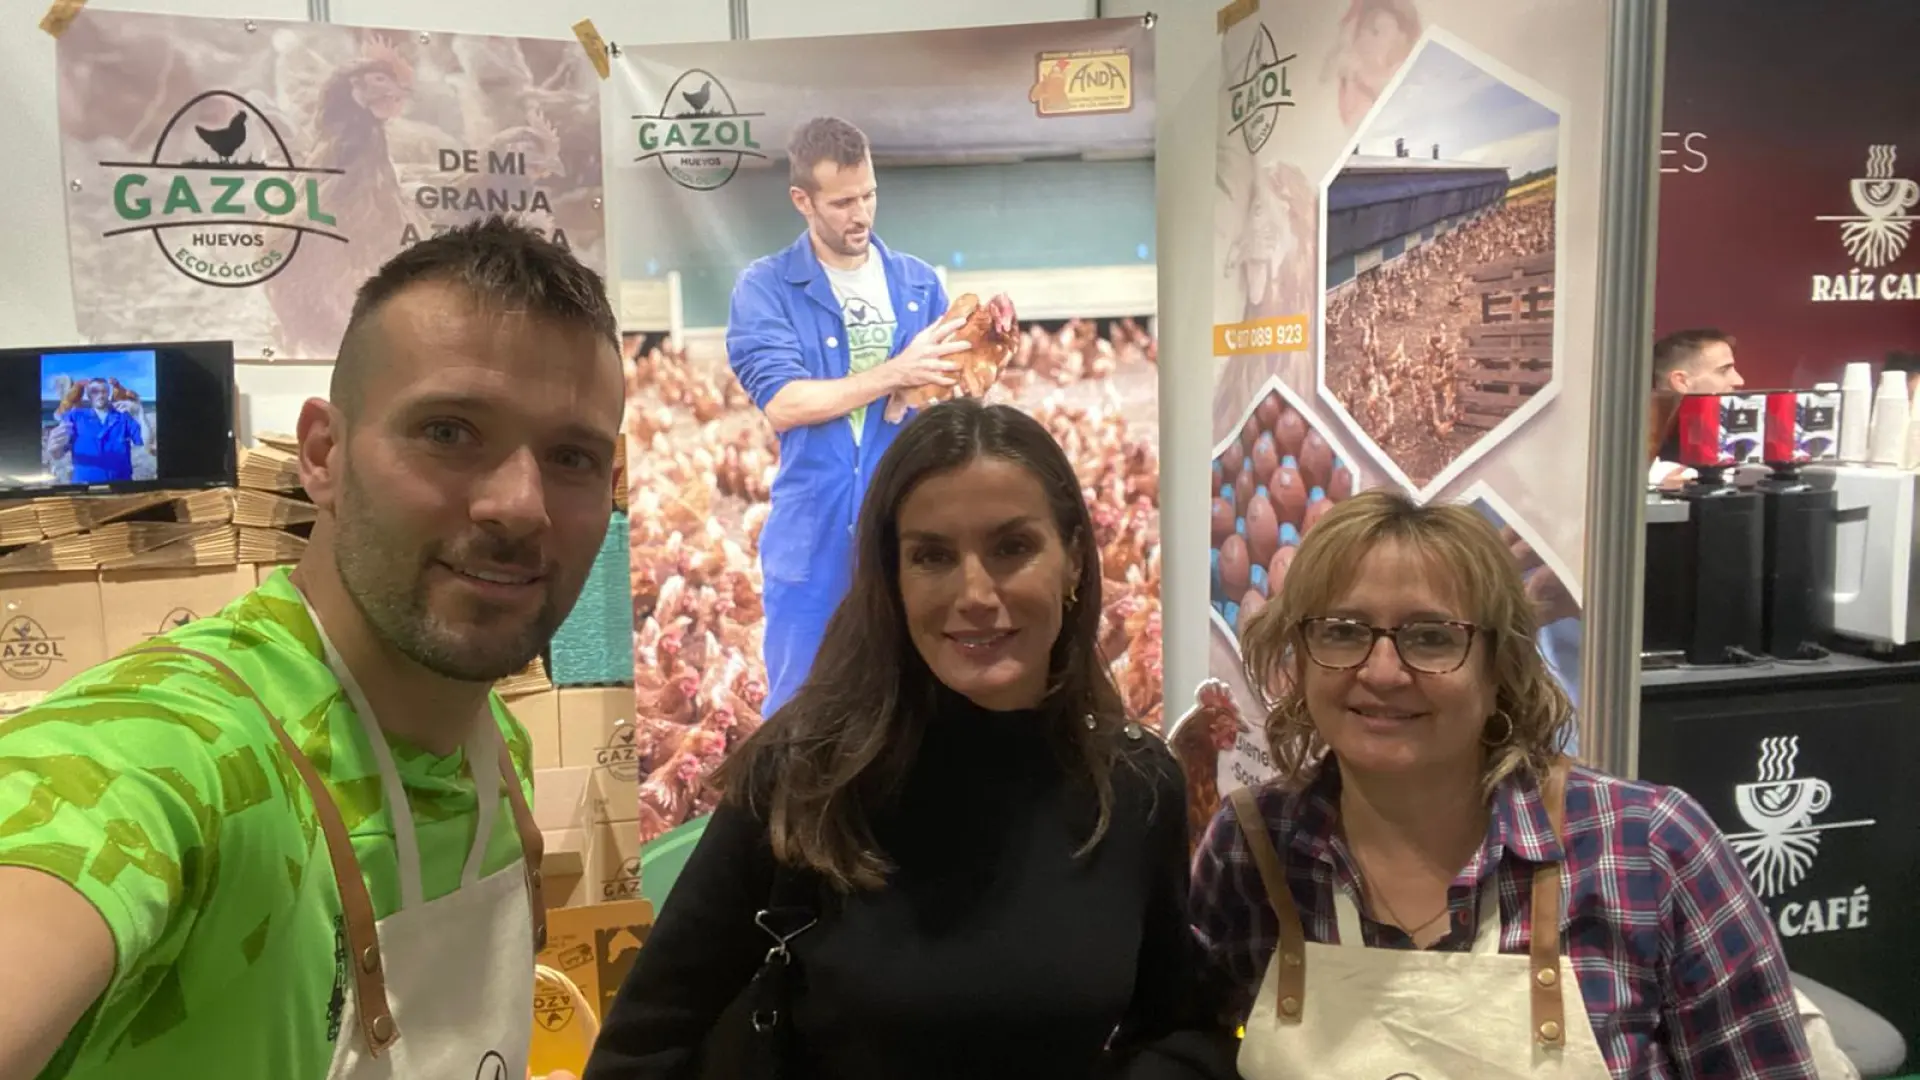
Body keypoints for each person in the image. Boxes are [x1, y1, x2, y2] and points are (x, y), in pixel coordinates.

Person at [0, 217, 619, 1080]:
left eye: (572, 456)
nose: (520, 504)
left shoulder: (491, 758)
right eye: (448, 431)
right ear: (323, 455)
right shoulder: (180, 755)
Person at [583, 399, 1230, 1079]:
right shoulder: (803, 776)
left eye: (1012, 547)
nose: (975, 591)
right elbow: (640, 1050)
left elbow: (1178, 1026)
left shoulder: (1133, 784)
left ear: (1072, 561)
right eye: (932, 556)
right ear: (892, 579)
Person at [1190, 489, 1820, 1079]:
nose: (1381, 672)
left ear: (1501, 667)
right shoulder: (1252, 850)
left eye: (1432, 637)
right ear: (1298, 657)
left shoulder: (1648, 849)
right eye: (1343, 631)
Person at [725, 115, 973, 717]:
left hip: (906, 524)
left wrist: (943, 379)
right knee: (801, 705)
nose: (859, 214)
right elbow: (786, 403)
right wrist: (896, 374)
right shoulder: (766, 289)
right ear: (801, 200)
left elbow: (946, 395)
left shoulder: (917, 283)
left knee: (918, 698)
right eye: (841, 202)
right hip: (815, 530)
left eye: (869, 196)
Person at [1650, 328, 1747, 489]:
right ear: (1681, 381)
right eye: (1724, 370)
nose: (1739, 380)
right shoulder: (1634, 449)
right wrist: (1654, 483)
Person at [46, 378, 151, 484]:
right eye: (95, 391)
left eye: (104, 391)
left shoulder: (123, 417)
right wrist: (53, 448)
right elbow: (58, 454)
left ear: (108, 393)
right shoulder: (75, 417)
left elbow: (146, 442)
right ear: (89, 395)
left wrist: (140, 412)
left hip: (121, 488)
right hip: (84, 490)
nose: (100, 395)